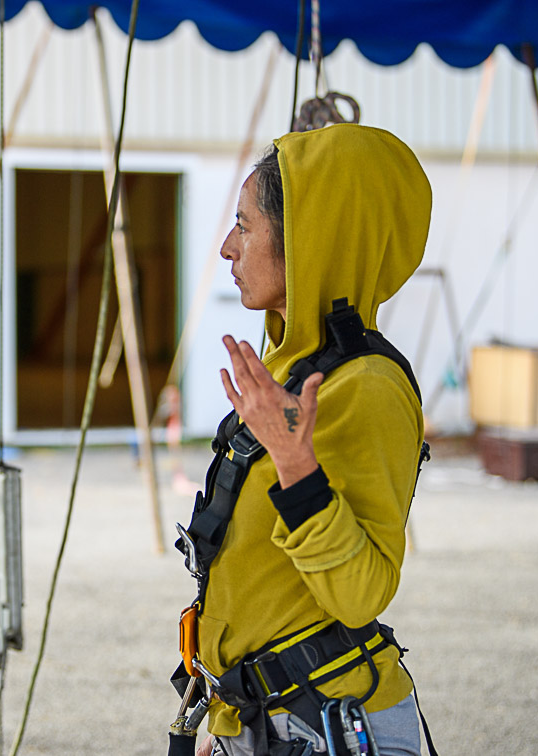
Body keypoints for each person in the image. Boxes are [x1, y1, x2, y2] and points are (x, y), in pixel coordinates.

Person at [179, 124, 433, 756]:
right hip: (265, 721)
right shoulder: (293, 370)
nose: (227, 247)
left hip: (328, 727)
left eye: (244, 225)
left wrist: (295, 462)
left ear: (307, 240)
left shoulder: (368, 387)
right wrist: (228, 717)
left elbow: (361, 593)